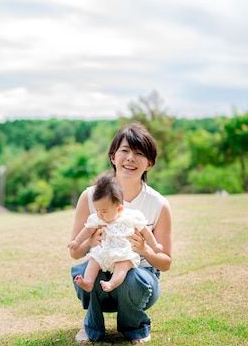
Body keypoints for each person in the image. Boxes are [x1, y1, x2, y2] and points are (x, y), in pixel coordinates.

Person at [69, 123, 173, 344]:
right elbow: (75, 252)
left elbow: (165, 263)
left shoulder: (159, 204)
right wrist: (90, 241)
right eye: (124, 151)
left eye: (139, 153)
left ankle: (136, 326)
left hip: (139, 282)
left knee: (131, 276)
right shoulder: (90, 197)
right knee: (84, 269)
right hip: (101, 276)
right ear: (113, 157)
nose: (130, 159)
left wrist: (145, 249)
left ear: (149, 164)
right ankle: (91, 327)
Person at [68, 173, 162, 293]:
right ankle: (88, 282)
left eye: (104, 211)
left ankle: (112, 283)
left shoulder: (131, 217)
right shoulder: (98, 218)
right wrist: (77, 241)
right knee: (93, 260)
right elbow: (87, 230)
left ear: (119, 209)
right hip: (103, 251)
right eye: (97, 210)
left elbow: (146, 231)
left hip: (122, 252)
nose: (100, 214)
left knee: (122, 265)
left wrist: (154, 245)